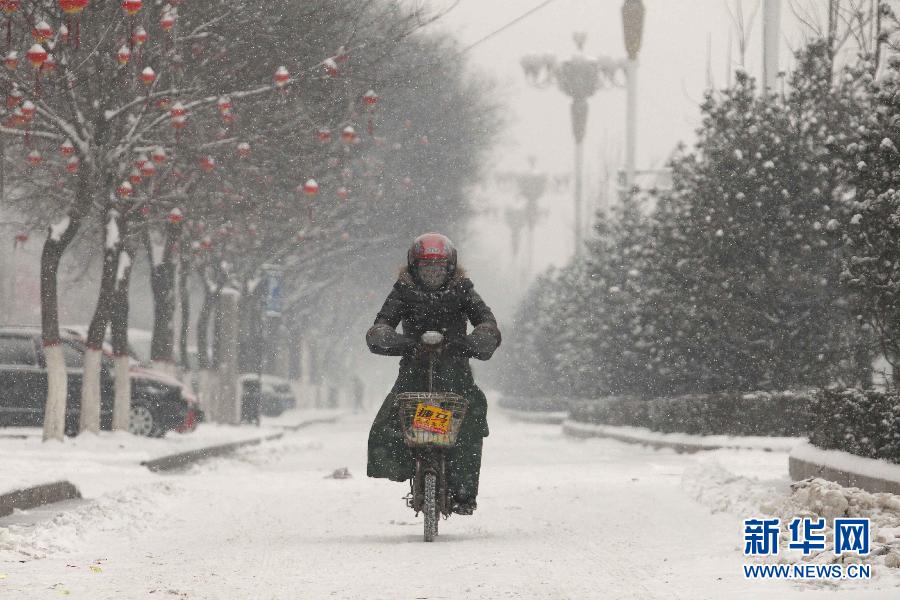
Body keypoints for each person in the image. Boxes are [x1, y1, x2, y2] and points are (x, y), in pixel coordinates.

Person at [365, 232, 501, 515]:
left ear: (449, 269)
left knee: (471, 418)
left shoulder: (463, 290)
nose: (432, 274)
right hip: (413, 372)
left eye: (438, 268)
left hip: (455, 373)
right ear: (415, 268)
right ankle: (401, 465)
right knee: (390, 420)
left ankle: (464, 491)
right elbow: (382, 325)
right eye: (427, 268)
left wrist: (479, 338)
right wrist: (392, 339)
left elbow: (485, 321)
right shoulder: (403, 291)